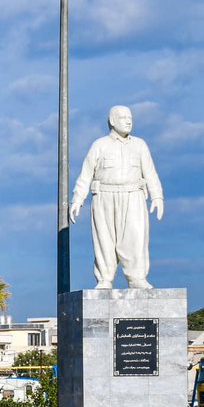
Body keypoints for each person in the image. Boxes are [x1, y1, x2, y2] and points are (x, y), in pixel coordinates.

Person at [70, 105, 164, 289]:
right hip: (104, 196)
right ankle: (105, 278)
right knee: (105, 239)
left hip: (133, 196)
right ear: (112, 121)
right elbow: (86, 174)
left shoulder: (140, 145)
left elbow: (150, 173)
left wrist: (157, 196)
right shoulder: (100, 145)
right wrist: (77, 200)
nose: (129, 121)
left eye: (130, 117)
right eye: (123, 117)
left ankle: (137, 278)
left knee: (136, 238)